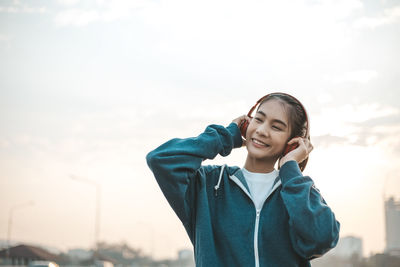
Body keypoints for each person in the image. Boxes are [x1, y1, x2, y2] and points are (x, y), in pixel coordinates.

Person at [146, 92, 340, 267]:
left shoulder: (299, 192)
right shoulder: (208, 184)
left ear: (292, 143)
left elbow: (322, 238)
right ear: (246, 124)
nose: (262, 130)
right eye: (259, 120)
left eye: (276, 127)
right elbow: (161, 159)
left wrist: (290, 168)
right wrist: (226, 136)